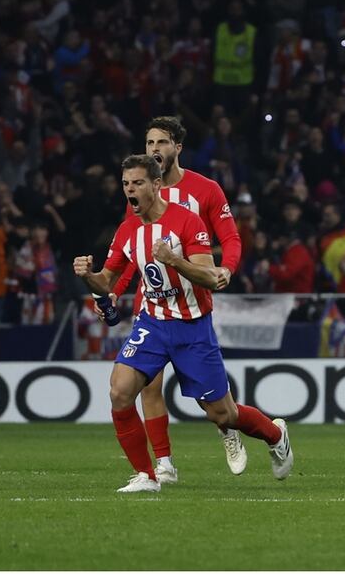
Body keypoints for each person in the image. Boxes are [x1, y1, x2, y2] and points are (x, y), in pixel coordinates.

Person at [73, 155, 291, 493]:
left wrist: (175, 260)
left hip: (192, 328)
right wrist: (89, 276)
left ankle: (275, 434)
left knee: (224, 414)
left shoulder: (188, 223)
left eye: (138, 183)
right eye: (126, 183)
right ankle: (148, 475)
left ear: (156, 185)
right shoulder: (128, 229)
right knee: (119, 391)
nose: (130, 189)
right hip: (153, 324)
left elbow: (209, 277)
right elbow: (107, 282)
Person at [102, 116, 244, 485]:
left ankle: (227, 427)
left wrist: (226, 269)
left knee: (213, 405)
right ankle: (162, 465)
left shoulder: (205, 189)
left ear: (177, 148)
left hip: (191, 294)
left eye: (161, 143)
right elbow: (134, 248)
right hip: (151, 299)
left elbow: (230, 237)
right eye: (149, 144)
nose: (154, 150)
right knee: (144, 384)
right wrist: (116, 288)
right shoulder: (140, 191)